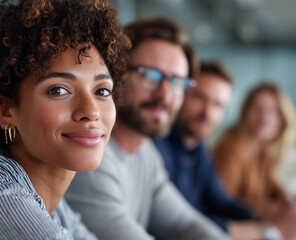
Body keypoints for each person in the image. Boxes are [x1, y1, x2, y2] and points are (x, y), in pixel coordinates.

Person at [0, 0, 130, 239]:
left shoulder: (52, 207)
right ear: (7, 111)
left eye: (102, 91)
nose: (91, 111)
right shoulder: (1, 206)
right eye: (58, 90)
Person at [65, 17, 228, 240]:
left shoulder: (146, 153)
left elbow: (185, 223)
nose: (165, 95)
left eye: (176, 82)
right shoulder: (91, 153)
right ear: (115, 74)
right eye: (150, 75)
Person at [154, 60, 253, 232]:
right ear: (180, 94)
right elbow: (177, 221)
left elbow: (222, 202)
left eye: (218, 105)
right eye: (200, 97)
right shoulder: (156, 145)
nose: (208, 113)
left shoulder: (200, 152)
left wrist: (265, 220)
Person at [213, 83, 296, 239]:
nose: (264, 117)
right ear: (245, 112)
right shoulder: (232, 147)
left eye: (273, 111)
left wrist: (288, 199)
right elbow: (224, 202)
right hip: (227, 228)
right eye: (257, 108)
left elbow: (274, 188)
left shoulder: (262, 150)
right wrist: (274, 209)